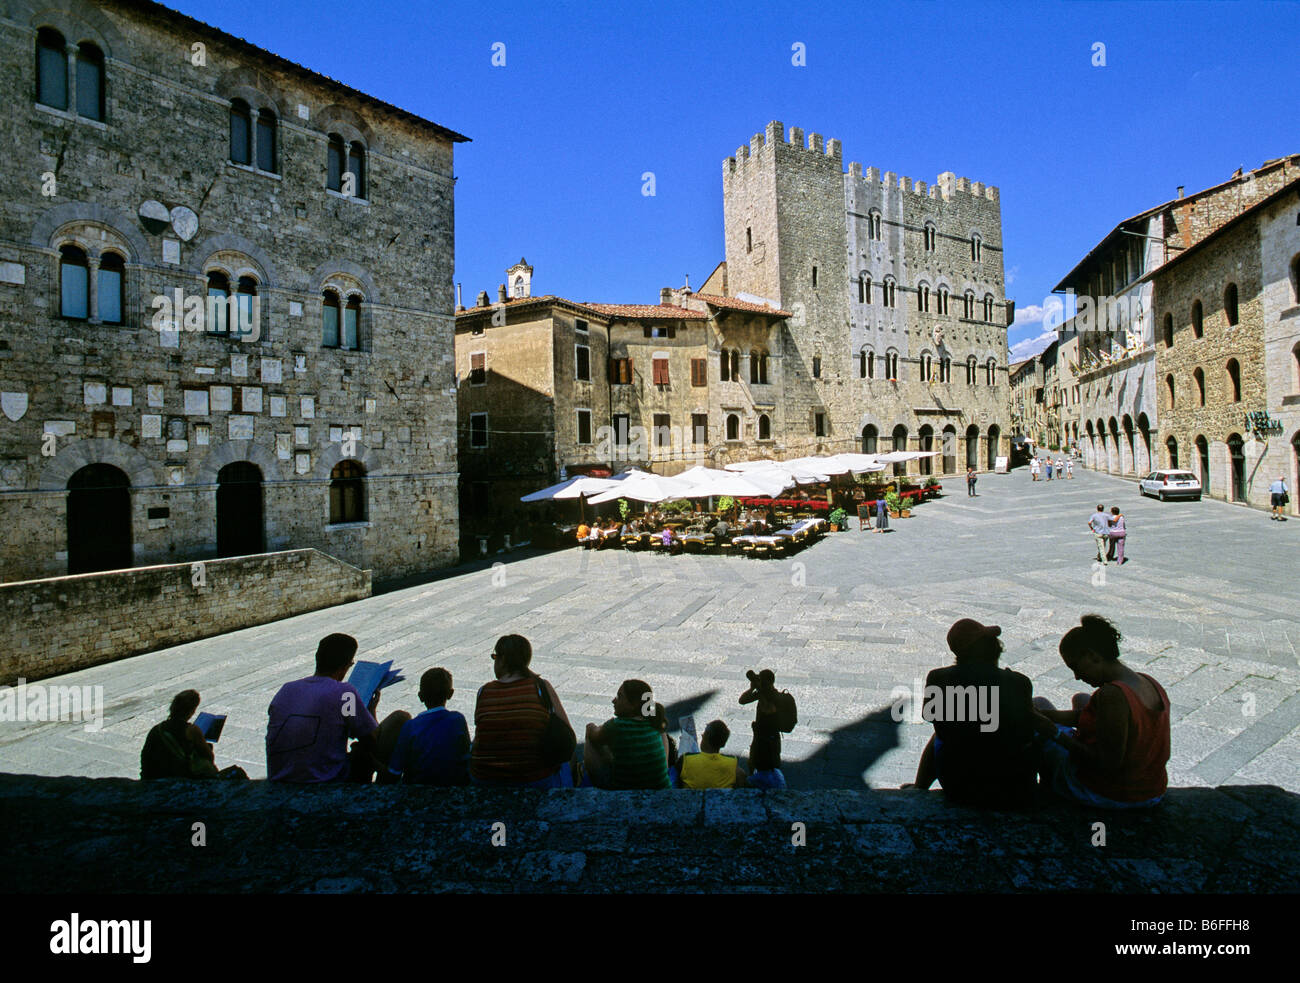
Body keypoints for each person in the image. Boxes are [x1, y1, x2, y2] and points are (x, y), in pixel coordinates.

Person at [1032, 615, 1170, 809]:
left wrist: (1052, 731)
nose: (1077, 676)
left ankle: (1050, 793)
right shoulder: (1148, 682)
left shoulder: (1112, 695)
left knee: (1039, 709)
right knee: (1075, 700)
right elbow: (1102, 720)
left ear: (1092, 656)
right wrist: (1048, 716)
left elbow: (1107, 763)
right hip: (1152, 789)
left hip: (1113, 794)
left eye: (1076, 667)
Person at [907, 619, 1038, 808]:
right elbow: (1025, 732)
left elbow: (930, 717)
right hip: (1009, 785)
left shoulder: (938, 677)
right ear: (994, 649)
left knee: (939, 735)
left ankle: (920, 786)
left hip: (958, 784)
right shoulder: (1019, 682)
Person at [266, 633, 408, 783]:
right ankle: (384, 786)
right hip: (325, 779)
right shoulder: (344, 693)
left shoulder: (286, 689)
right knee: (400, 719)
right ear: (344, 666)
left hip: (280, 777)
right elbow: (370, 739)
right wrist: (370, 710)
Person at [471, 634, 573, 787]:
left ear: (503, 660)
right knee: (565, 763)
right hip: (534, 777)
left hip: (485, 778)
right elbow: (567, 734)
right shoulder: (541, 687)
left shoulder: (484, 691)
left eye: (495, 657)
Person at [387, 668, 470, 786]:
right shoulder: (458, 720)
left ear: (420, 696)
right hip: (451, 787)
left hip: (417, 790)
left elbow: (394, 772)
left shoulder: (410, 727)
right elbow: (465, 757)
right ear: (450, 694)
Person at [584, 680, 672, 789]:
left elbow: (594, 735)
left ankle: (579, 776)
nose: (614, 700)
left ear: (633, 705)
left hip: (625, 791)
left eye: (619, 697)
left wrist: (591, 726)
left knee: (590, 737)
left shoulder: (616, 726)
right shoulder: (653, 721)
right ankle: (663, 771)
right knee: (661, 732)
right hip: (662, 789)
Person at [141, 690, 245, 780]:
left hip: (154, 777)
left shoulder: (156, 729)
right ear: (191, 711)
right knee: (237, 772)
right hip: (183, 778)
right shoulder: (192, 730)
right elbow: (209, 757)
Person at [678, 720, 747, 789]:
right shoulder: (732, 765)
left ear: (707, 736)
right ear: (723, 744)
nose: (702, 735)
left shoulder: (685, 760)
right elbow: (742, 777)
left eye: (704, 732)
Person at [740, 669, 783, 771]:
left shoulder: (776, 696)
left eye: (761, 680)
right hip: (759, 735)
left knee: (772, 765)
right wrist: (752, 689)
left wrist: (760, 691)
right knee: (753, 763)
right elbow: (742, 700)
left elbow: (768, 710)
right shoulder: (762, 693)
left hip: (771, 737)